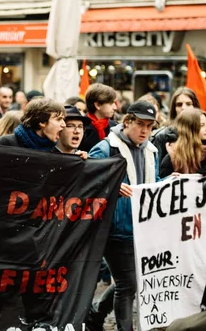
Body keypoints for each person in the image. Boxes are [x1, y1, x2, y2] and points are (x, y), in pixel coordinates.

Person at [86, 100, 160, 331]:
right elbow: (87, 182)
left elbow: (152, 185)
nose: (145, 130)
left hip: (141, 227)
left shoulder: (151, 150)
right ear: (127, 121)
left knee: (129, 283)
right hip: (114, 229)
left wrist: (170, 183)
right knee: (128, 283)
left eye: (149, 126)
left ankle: (96, 316)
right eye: (140, 124)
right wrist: (112, 186)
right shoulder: (106, 148)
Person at [0, 98, 65, 151]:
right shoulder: (6, 144)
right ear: (42, 122)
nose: (64, 124)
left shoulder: (54, 151)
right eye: (58, 119)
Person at [151, 87, 200, 164]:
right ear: (174, 108)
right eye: (179, 104)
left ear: (195, 106)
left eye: (188, 104)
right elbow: (156, 170)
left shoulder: (203, 132)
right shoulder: (163, 136)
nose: (184, 108)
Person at [159, 108, 205, 178]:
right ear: (189, 130)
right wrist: (170, 179)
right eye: (202, 125)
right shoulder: (172, 158)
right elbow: (162, 185)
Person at [79, 83, 118, 153]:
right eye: (111, 103)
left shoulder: (115, 127)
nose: (115, 107)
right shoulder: (80, 127)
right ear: (98, 105)